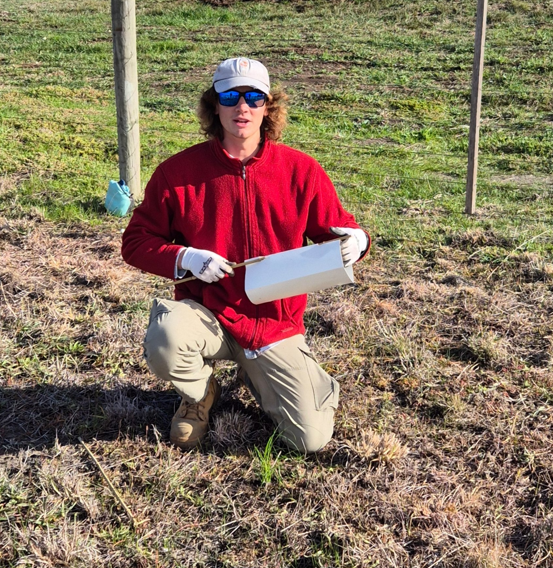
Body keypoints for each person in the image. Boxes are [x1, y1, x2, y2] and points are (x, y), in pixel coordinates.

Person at [121, 56, 369, 453]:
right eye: (230, 96)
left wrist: (358, 241)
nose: (242, 107)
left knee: (308, 439)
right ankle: (200, 393)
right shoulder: (176, 173)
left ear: (268, 107)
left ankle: (270, 376)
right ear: (214, 104)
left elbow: (339, 229)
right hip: (208, 316)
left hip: (274, 324)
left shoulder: (301, 171)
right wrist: (186, 258)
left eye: (254, 97)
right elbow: (135, 243)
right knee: (166, 339)